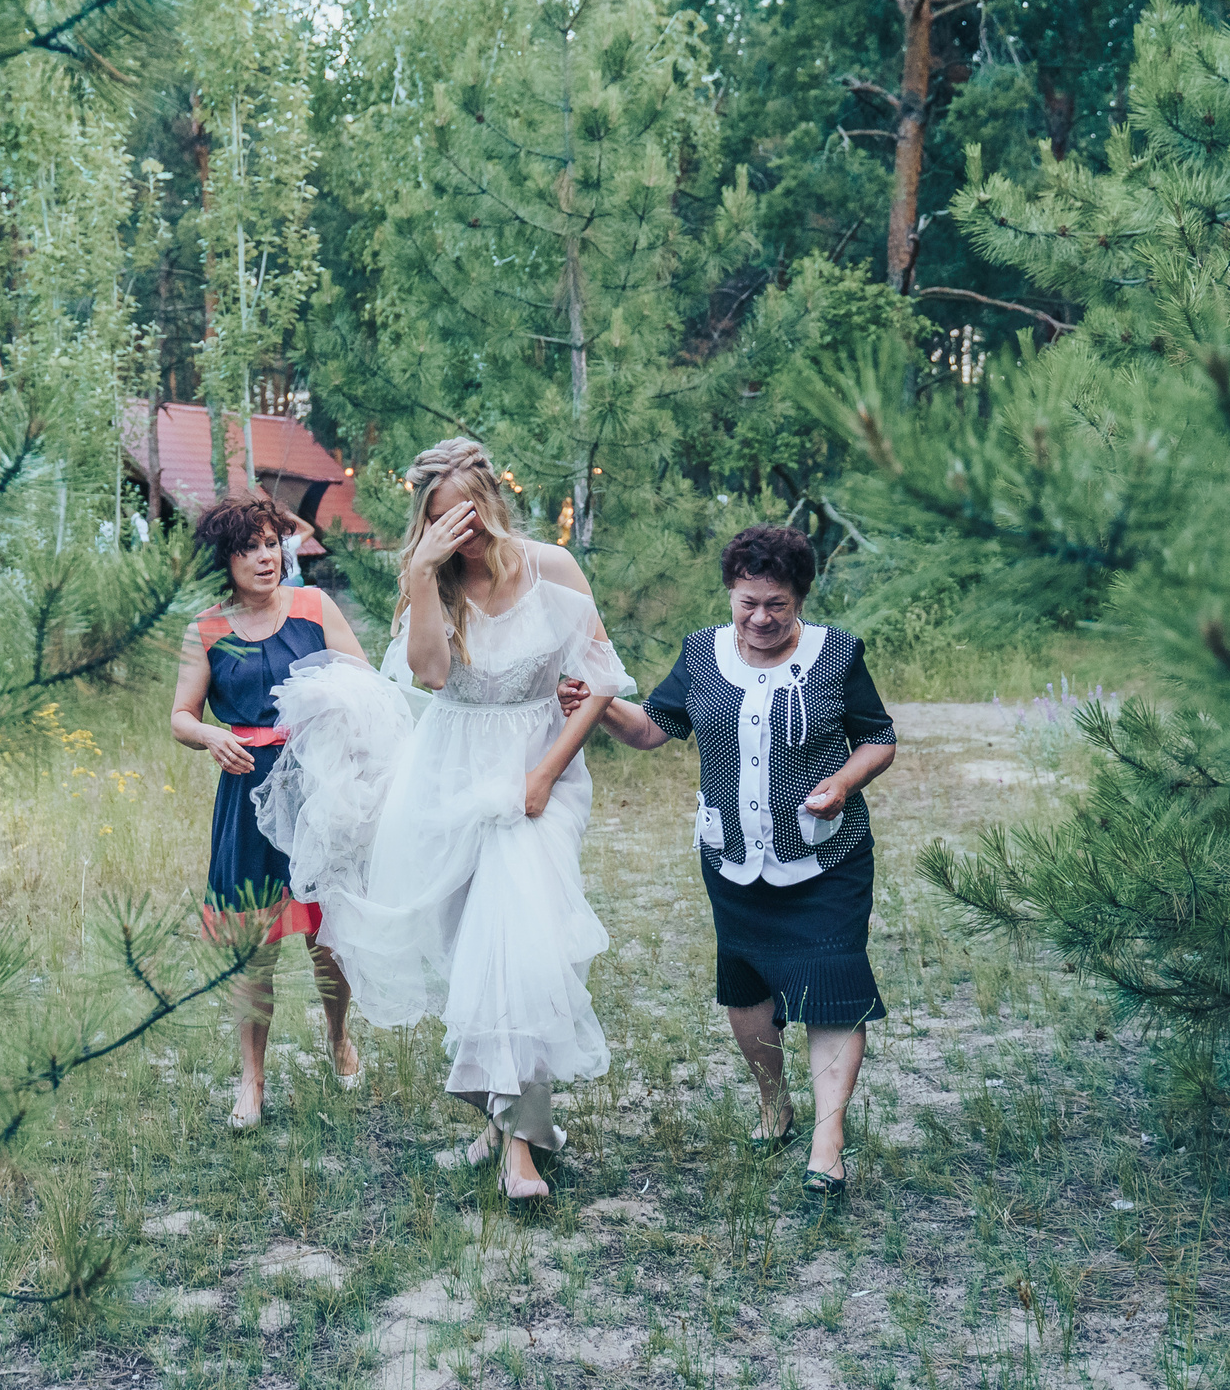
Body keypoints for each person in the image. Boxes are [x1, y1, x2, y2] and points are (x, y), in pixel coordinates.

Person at [260, 438, 633, 1201]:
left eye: (467, 513)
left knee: (518, 945)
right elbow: (431, 674)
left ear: (493, 501)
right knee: (476, 951)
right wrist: (422, 571)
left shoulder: (552, 568)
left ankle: (520, 1153)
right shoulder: (430, 584)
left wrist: (543, 774)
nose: (459, 531)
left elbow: (601, 679)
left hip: (537, 774)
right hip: (447, 774)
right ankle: (506, 1123)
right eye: (439, 519)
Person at [563, 525, 896, 1195]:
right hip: (735, 857)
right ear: (730, 593)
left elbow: (878, 737)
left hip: (826, 858)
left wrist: (843, 784)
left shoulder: (836, 654)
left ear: (800, 596)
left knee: (834, 987)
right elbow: (655, 728)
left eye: (777, 603)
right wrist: (598, 707)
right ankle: (774, 1102)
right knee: (747, 991)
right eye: (748, 602)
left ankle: (827, 1147)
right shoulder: (703, 653)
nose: (761, 617)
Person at [170, 496, 367, 1129]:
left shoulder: (315, 608)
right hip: (245, 792)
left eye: (272, 542)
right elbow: (181, 717)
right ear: (223, 560)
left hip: (315, 790)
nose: (266, 555)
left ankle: (338, 1036)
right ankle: (251, 1080)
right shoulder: (205, 629)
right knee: (251, 945)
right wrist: (209, 737)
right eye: (248, 546)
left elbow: (361, 681)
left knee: (325, 937)